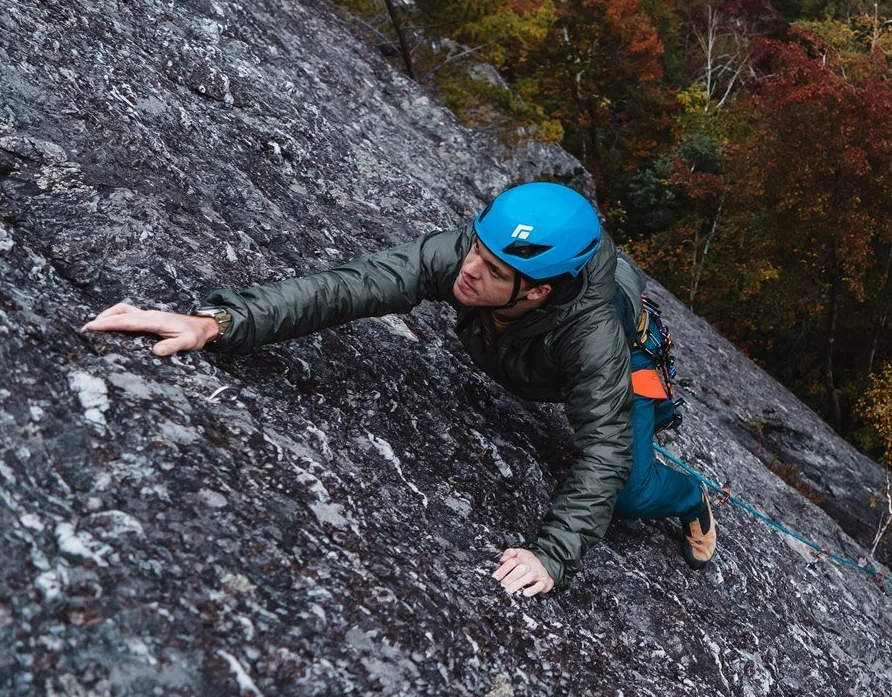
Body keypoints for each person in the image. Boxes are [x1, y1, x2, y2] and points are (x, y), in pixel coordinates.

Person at [80, 182, 716, 597]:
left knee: (630, 489)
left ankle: (689, 498)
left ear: (539, 291)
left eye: (493, 271)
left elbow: (601, 448)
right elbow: (350, 287)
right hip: (551, 346)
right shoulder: (474, 254)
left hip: (626, 365)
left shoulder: (592, 342)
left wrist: (553, 554)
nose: (467, 270)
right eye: (476, 248)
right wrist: (218, 323)